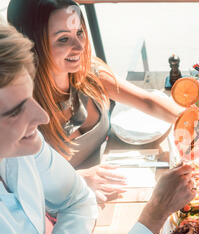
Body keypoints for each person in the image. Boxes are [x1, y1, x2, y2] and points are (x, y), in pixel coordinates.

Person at [0, 23, 195, 234]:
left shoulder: (23, 147)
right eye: (16, 110)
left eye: (30, 95)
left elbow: (77, 200)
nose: (42, 117)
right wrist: (155, 214)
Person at [7, 0, 186, 203]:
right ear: (31, 45)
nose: (80, 46)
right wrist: (78, 181)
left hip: (112, 184)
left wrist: (195, 120)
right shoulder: (18, 108)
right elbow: (17, 188)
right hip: (63, 205)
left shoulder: (89, 72)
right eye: (63, 39)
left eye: (80, 33)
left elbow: (148, 102)